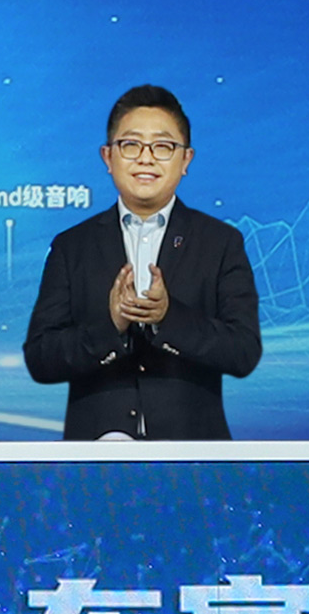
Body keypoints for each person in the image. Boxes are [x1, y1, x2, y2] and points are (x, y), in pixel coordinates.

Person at [21, 84, 263, 439]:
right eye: (131, 145)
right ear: (108, 157)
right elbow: (41, 360)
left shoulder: (220, 243)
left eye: (163, 146)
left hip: (193, 456)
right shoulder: (72, 247)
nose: (146, 158)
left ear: (186, 160)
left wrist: (169, 317)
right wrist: (111, 326)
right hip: (97, 457)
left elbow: (243, 353)